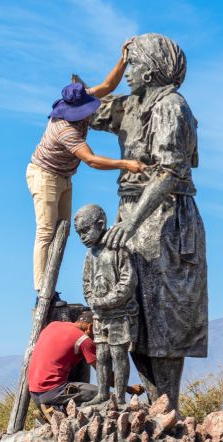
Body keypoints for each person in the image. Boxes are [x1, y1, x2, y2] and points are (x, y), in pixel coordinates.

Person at [88, 33, 207, 410]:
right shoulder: (130, 106)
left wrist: (134, 221)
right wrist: (118, 64)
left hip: (165, 218)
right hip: (132, 215)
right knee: (131, 312)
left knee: (164, 317)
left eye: (134, 64)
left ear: (153, 71)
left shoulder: (171, 106)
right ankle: (156, 405)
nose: (128, 73)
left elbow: (170, 171)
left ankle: (166, 405)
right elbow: (77, 108)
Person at [27, 41, 146, 303]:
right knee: (47, 231)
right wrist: (126, 164)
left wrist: (122, 60)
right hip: (45, 175)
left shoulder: (78, 98)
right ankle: (42, 291)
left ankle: (51, 286)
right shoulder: (64, 130)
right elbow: (91, 160)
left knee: (63, 230)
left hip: (64, 176)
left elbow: (107, 87)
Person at [73, 204, 138, 406]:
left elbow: (128, 279)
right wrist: (91, 300)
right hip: (100, 315)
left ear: (100, 225)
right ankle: (102, 393)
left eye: (85, 230)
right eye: (79, 233)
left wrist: (108, 300)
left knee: (118, 354)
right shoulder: (90, 255)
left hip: (119, 313)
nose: (82, 237)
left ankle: (119, 397)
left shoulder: (119, 248)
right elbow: (86, 282)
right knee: (101, 354)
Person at [27, 311, 99, 406]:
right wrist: (124, 388)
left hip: (34, 392)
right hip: (53, 391)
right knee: (103, 395)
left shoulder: (53, 325)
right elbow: (104, 373)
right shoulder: (84, 340)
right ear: (90, 327)